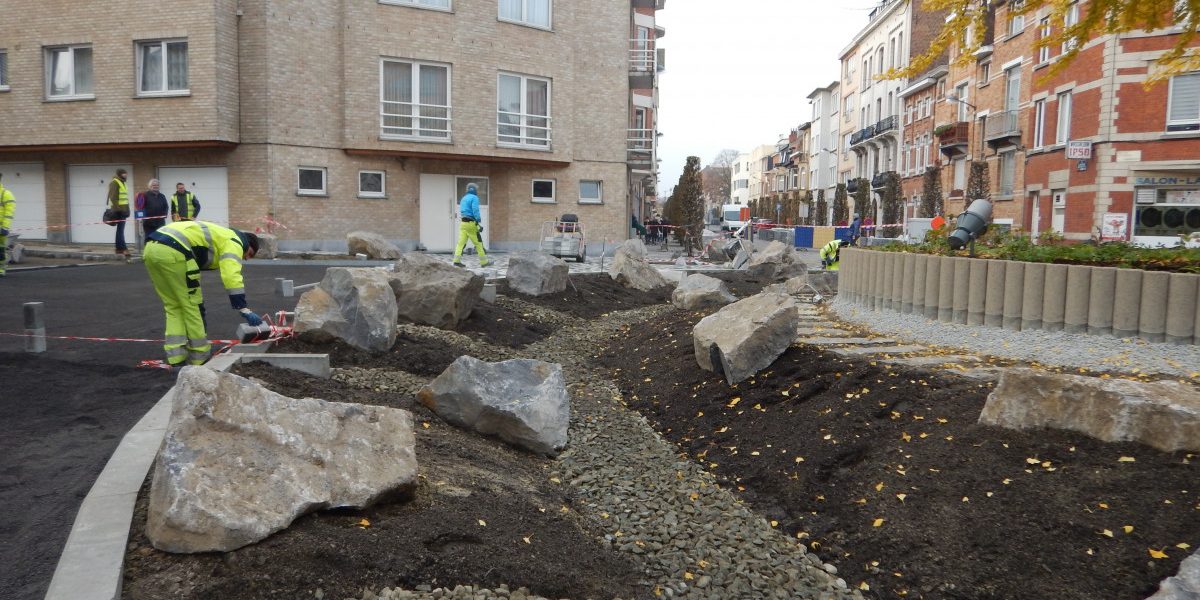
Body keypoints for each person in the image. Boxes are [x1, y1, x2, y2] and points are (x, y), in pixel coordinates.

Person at [143, 220, 260, 367]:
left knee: (173, 306)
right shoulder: (235, 241)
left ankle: (176, 358)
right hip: (176, 251)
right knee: (193, 307)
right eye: (249, 254)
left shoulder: (221, 233)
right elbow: (231, 275)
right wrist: (243, 308)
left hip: (151, 249)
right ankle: (200, 358)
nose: (246, 258)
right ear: (247, 244)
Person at [453, 183, 489, 268]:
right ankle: (484, 262)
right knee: (478, 243)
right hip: (471, 224)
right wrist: (478, 219)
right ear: (474, 190)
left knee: (460, 243)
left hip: (463, 224)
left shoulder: (463, 198)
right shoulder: (474, 198)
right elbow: (475, 209)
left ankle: (456, 261)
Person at [107, 168, 131, 260]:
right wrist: (119, 209)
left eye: (126, 173)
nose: (125, 175)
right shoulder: (115, 182)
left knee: (120, 230)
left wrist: (127, 210)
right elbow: (113, 197)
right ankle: (123, 248)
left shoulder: (123, 182)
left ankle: (118, 248)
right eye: (124, 173)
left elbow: (124, 198)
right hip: (119, 210)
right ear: (120, 174)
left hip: (123, 210)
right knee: (121, 230)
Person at [0, 173, 14, 278]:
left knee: (0, 250)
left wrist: (5, 227)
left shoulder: (5, 193)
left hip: (0, 228)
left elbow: (9, 213)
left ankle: (1, 269)